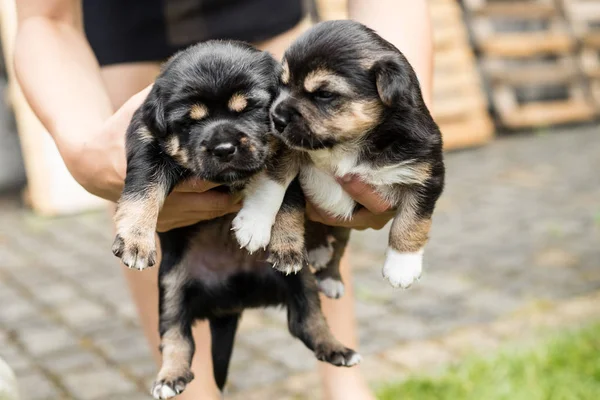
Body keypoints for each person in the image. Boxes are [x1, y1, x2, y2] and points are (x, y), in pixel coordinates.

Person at [13, 1, 433, 399]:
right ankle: (189, 389)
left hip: (264, 17)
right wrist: (84, 151)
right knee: (153, 205)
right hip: (128, 25)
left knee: (309, 176)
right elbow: (44, 17)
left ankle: (345, 385)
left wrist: (403, 122)